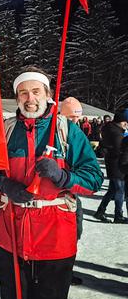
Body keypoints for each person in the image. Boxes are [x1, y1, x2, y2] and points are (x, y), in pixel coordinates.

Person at [0, 68, 102, 299]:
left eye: (35, 91)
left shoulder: (67, 131)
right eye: (23, 92)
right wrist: (3, 184)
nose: (29, 98)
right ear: (17, 97)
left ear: (47, 95)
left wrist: (64, 176)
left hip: (56, 240)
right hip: (12, 238)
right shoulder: (6, 131)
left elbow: (94, 178)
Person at [59, 96, 86, 285]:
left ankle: (66, 271)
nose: (75, 121)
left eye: (77, 117)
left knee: (75, 233)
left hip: (73, 192)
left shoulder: (78, 135)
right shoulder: (60, 133)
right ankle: (60, 273)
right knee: (63, 237)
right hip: (59, 195)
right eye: (71, 118)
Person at [94, 109, 128, 224]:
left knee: (112, 190)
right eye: (125, 122)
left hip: (112, 164)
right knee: (120, 190)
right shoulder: (117, 133)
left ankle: (100, 211)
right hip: (117, 166)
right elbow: (120, 150)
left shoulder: (110, 128)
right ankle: (118, 215)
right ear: (122, 122)